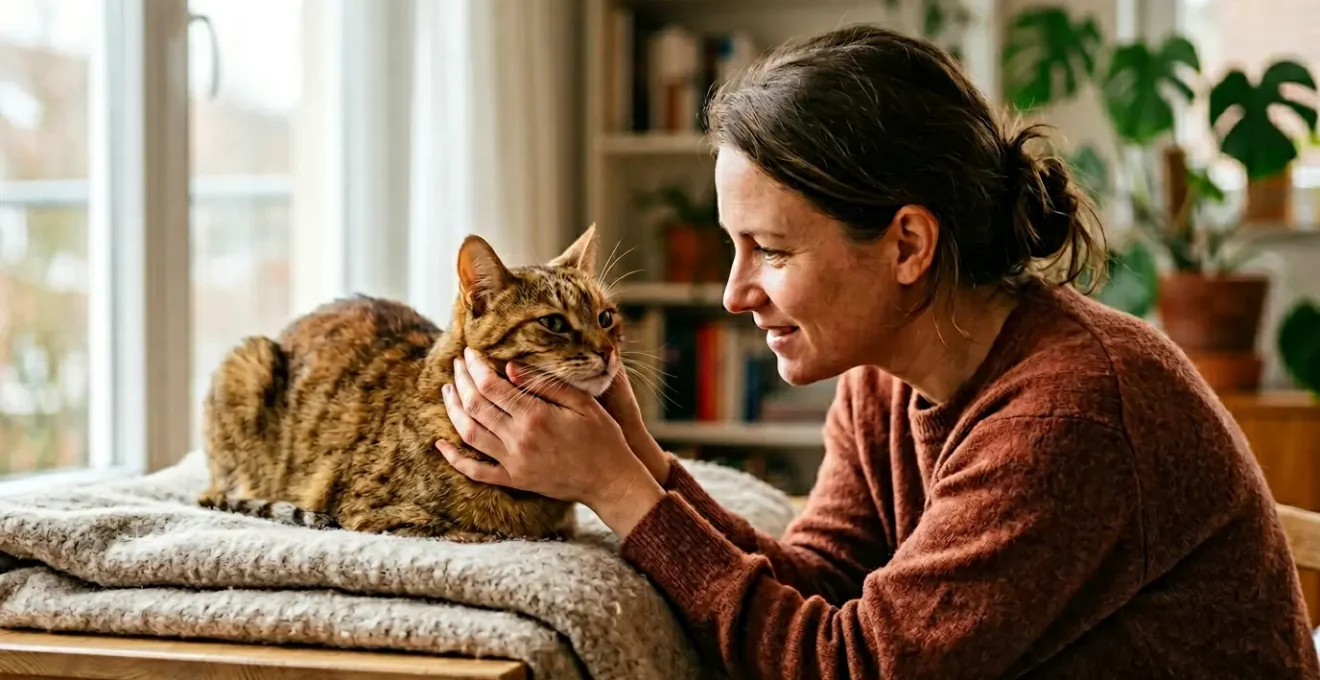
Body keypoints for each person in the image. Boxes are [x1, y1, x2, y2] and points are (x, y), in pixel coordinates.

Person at [434, 24, 1320, 679]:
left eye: (771, 252)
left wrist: (615, 489)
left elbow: (847, 668)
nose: (734, 293)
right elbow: (816, 585)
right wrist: (642, 460)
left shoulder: (1068, 415)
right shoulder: (885, 377)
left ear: (906, 246)